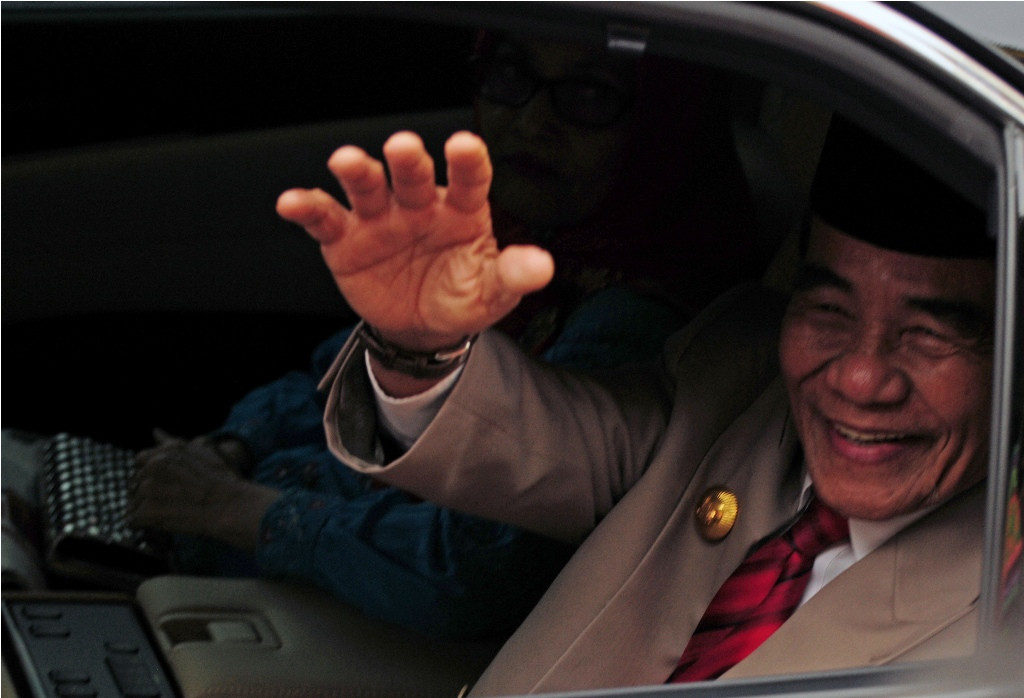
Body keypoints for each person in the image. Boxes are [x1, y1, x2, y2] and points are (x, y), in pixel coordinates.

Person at [274, 112, 995, 694]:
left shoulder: (997, 618)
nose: (861, 378)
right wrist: (418, 346)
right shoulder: (740, 377)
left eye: (931, 334)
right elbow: (542, 439)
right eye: (829, 311)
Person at [126, 34, 761, 640]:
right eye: (511, 75)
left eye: (590, 95)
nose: (531, 121)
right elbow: (343, 378)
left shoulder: (631, 323)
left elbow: (475, 571)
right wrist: (232, 449)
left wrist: (237, 511)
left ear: (663, 128)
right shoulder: (521, 241)